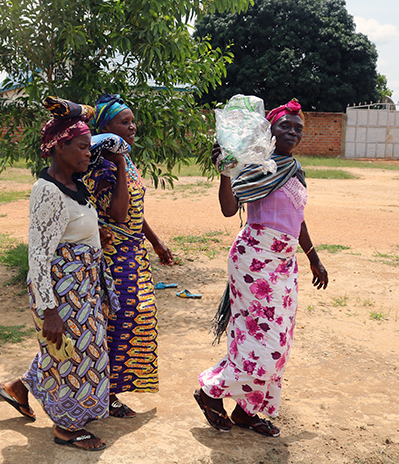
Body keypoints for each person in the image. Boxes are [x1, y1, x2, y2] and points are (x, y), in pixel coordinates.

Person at [194, 99, 329, 437]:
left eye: (299, 129)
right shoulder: (258, 166)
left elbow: (297, 219)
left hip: (285, 263)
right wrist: (226, 169)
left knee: (279, 341)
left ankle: (246, 410)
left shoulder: (294, 170)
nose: (294, 133)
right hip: (254, 260)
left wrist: (313, 257)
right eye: (287, 126)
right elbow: (229, 208)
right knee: (259, 341)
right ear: (271, 130)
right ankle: (211, 392)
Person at [0, 98, 119, 451]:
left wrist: (97, 236)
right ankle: (66, 427)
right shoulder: (47, 190)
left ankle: (19, 388)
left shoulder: (75, 185)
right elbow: (38, 255)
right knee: (74, 357)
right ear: (60, 146)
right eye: (82, 147)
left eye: (89, 146)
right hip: (63, 294)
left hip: (84, 288)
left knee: (70, 352)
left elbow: (71, 229)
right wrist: (49, 311)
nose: (87, 153)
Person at [84, 94, 173, 418]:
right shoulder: (103, 165)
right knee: (118, 322)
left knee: (131, 320)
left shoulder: (125, 160)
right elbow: (119, 214)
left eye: (133, 121)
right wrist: (119, 162)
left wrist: (156, 242)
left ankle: (109, 392)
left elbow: (135, 208)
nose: (133, 126)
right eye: (125, 122)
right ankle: (105, 394)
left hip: (133, 253)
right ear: (105, 128)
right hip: (113, 257)